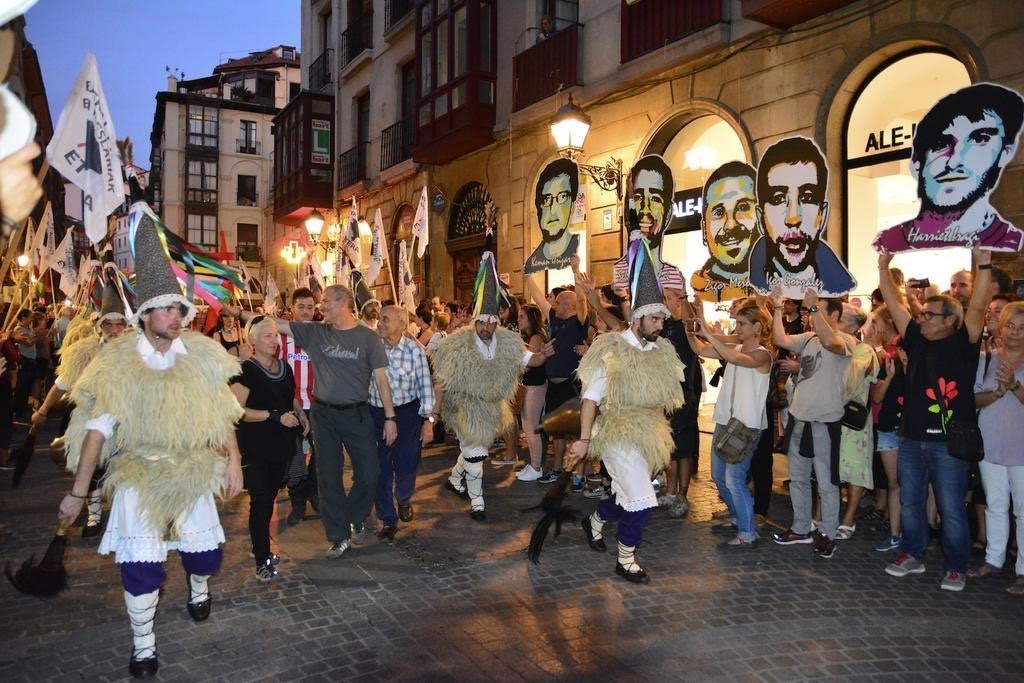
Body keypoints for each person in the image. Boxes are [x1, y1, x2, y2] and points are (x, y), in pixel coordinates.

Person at [56, 208, 244, 678]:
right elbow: (97, 430)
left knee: (204, 555)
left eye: (180, 308)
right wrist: (79, 493)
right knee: (141, 568)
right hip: (139, 473)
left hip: (192, 469)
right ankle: (144, 646)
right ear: (144, 316)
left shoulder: (202, 356)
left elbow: (222, 415)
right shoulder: (117, 363)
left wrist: (234, 460)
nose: (177, 315)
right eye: (166, 308)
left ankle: (199, 589)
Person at [227, 284, 398, 560]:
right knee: (328, 476)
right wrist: (238, 312)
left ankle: (352, 516)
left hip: (357, 413)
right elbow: (277, 324)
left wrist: (390, 417)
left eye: (326, 302)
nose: (321, 307)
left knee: (370, 473)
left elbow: (381, 379)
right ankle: (338, 535)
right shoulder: (316, 332)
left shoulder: (368, 339)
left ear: (343, 302)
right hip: (324, 414)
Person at [569, 238, 686, 582]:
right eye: (653, 319)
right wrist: (584, 439)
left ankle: (594, 521)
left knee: (627, 497)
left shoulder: (661, 350)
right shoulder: (614, 350)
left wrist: (659, 431)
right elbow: (590, 398)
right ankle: (626, 559)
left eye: (661, 319)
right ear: (637, 318)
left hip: (647, 434)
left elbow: (665, 397)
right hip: (618, 433)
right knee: (644, 501)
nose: (660, 324)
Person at [877, 247, 990, 592]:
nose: (921, 317)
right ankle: (913, 553)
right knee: (911, 501)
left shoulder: (964, 342)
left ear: (950, 321)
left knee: (952, 508)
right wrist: (883, 265)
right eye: (921, 313)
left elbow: (981, 304)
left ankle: (956, 566)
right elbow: (895, 304)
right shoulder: (915, 338)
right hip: (911, 438)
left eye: (929, 314)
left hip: (949, 443)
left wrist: (984, 263)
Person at [433, 251, 552, 520]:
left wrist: (544, 355)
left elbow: (528, 359)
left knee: (477, 450)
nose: (486, 326)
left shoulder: (508, 342)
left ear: (496, 321)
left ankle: (454, 479)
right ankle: (477, 502)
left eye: (490, 321)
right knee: (475, 456)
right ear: (474, 320)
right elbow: (441, 382)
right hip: (466, 407)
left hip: (492, 408)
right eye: (481, 321)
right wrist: (434, 416)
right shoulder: (457, 346)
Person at [872, 83, 1024, 252]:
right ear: (916, 163)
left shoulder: (1010, 242)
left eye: (980, 139)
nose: (954, 162)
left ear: (1005, 153)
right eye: (941, 144)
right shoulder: (886, 243)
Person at [32, 280, 128, 537]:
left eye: (119, 323)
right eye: (108, 323)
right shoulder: (84, 353)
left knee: (127, 471)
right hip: (94, 418)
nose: (114, 329)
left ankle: (126, 516)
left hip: (130, 421)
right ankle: (94, 517)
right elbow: (61, 384)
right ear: (100, 326)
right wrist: (42, 411)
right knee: (94, 468)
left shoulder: (137, 352)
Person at [770, 291, 855, 560]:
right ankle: (801, 528)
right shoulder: (808, 338)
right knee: (798, 478)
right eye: (809, 311)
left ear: (833, 315)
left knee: (826, 482)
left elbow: (832, 343)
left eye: (817, 310)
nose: (809, 314)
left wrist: (814, 310)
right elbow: (780, 339)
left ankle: (828, 533)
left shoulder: (845, 341)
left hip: (824, 421)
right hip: (800, 417)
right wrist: (775, 308)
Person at [687, 301, 772, 548]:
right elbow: (700, 349)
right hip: (726, 420)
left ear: (757, 327)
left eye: (742, 324)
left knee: (735, 479)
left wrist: (707, 332)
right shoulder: (735, 347)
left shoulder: (763, 355)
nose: (738, 327)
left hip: (746, 426)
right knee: (718, 475)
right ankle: (737, 517)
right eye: (737, 323)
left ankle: (748, 533)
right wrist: (691, 330)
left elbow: (736, 358)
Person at [230, 316, 307, 580]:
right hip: (255, 448)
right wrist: (273, 416)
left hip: (282, 447)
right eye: (267, 336)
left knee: (270, 497)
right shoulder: (244, 371)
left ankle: (258, 543)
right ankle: (262, 558)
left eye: (276, 335)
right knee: (261, 502)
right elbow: (236, 411)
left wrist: (300, 413)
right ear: (252, 340)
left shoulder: (285, 367)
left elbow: (291, 397)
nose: (274, 340)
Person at [748, 137, 855, 297]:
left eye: (807, 198)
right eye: (778, 198)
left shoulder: (837, 285)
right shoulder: (755, 272)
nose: (793, 218)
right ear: (761, 217)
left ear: (823, 215)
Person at [971, 301, 1024, 595]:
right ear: (1000, 327)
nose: (1015, 333)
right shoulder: (986, 358)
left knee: (1023, 509)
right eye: (1010, 326)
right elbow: (973, 400)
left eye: (1022, 327)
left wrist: (1015, 386)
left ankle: (1023, 570)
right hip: (990, 439)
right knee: (995, 503)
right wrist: (998, 392)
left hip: (1021, 444)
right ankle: (993, 559)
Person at [370, 305, 436, 542]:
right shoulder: (372, 346)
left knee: (408, 464)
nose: (380, 323)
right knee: (380, 468)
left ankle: (404, 498)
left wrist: (428, 421)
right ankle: (388, 519)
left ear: (401, 323)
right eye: (379, 319)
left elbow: (425, 387)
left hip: (408, 414)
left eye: (386, 319)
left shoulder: (413, 350)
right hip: (376, 413)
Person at [526, 269, 589, 486]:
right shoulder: (554, 318)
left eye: (560, 302)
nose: (555, 305)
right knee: (557, 432)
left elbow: (581, 299)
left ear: (570, 307)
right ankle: (557, 470)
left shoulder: (580, 322)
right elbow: (538, 299)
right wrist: (527, 275)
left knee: (576, 431)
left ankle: (578, 475)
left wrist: (575, 268)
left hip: (571, 385)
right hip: (553, 386)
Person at [835, 305, 879, 540]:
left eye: (839, 319)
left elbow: (850, 381)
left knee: (854, 469)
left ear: (853, 326)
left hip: (853, 419)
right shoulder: (830, 345)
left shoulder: (865, 351)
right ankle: (823, 515)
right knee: (828, 468)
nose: (834, 323)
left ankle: (849, 518)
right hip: (829, 416)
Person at [612, 155, 685, 292]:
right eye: (638, 197)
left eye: (656, 199)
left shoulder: (674, 276)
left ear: (668, 214)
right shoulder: (620, 273)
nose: (645, 208)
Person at [277, 287, 319, 525]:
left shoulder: (320, 335)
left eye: (310, 307)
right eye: (301, 307)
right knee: (294, 457)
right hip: (291, 407)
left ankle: (314, 492)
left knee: (320, 454)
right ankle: (297, 501)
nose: (306, 311)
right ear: (292, 309)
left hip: (317, 405)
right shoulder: (281, 338)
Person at [691, 161, 757, 302]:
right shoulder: (695, 293)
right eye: (719, 212)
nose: (730, 225)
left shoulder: (779, 286)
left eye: (743, 207)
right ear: (704, 230)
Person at [524, 158, 580, 274]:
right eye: (546, 199)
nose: (553, 210)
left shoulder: (576, 246)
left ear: (572, 205)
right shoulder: (532, 263)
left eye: (562, 197)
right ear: (538, 207)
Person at [515, 303, 548, 482]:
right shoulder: (532, 336)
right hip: (531, 385)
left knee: (530, 426)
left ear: (531, 319)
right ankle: (534, 463)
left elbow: (530, 362)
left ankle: (536, 467)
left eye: (522, 317)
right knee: (529, 425)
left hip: (536, 385)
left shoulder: (536, 337)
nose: (518, 320)